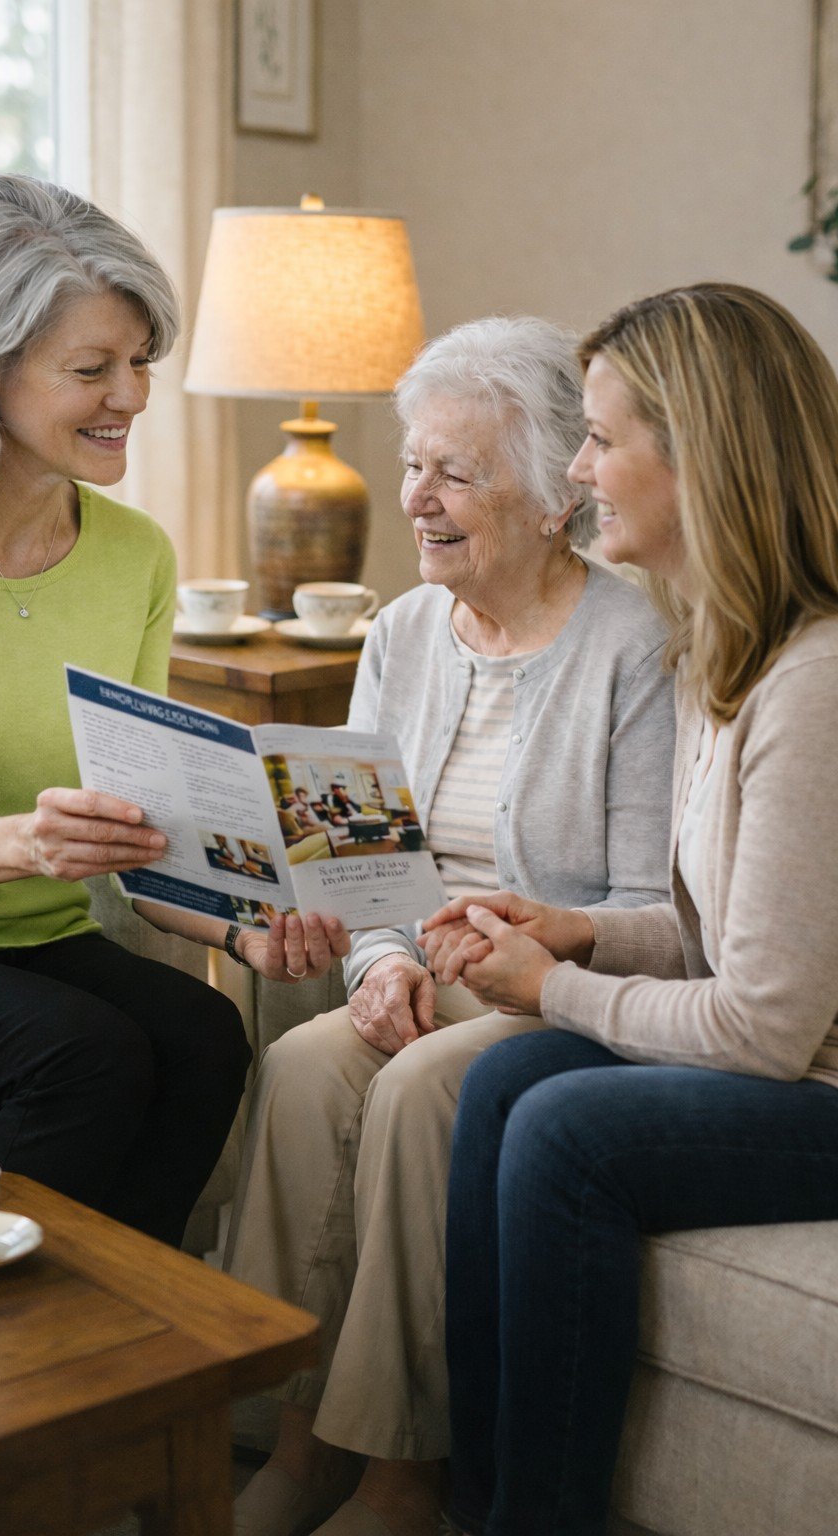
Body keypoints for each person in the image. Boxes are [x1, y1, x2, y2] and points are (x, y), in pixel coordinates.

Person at [0, 173, 347, 1250]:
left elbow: (139, 835)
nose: (134, 397)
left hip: (26, 938)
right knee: (84, 1055)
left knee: (202, 1035)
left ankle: (100, 1341)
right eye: (92, 369)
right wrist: (32, 839)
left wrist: (247, 927)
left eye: (141, 361)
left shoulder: (132, 556)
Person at [225, 314, 676, 1536]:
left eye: (454, 473)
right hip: (417, 963)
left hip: (545, 984)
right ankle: (289, 1436)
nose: (414, 498)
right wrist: (374, 962)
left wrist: (539, 945)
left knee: (427, 1091)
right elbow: (355, 859)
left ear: (548, 499)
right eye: (412, 462)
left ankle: (400, 1476)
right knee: (307, 1062)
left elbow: (660, 911)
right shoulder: (404, 630)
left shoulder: (637, 646)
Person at [427, 282, 838, 1536]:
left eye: (602, 440)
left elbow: (766, 1025)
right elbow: (728, 943)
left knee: (565, 1133)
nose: (580, 468)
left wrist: (554, 990)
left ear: (698, 455)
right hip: (799, 1060)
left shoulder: (814, 683)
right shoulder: (729, 650)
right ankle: (480, 1505)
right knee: (502, 1087)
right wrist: (581, 932)